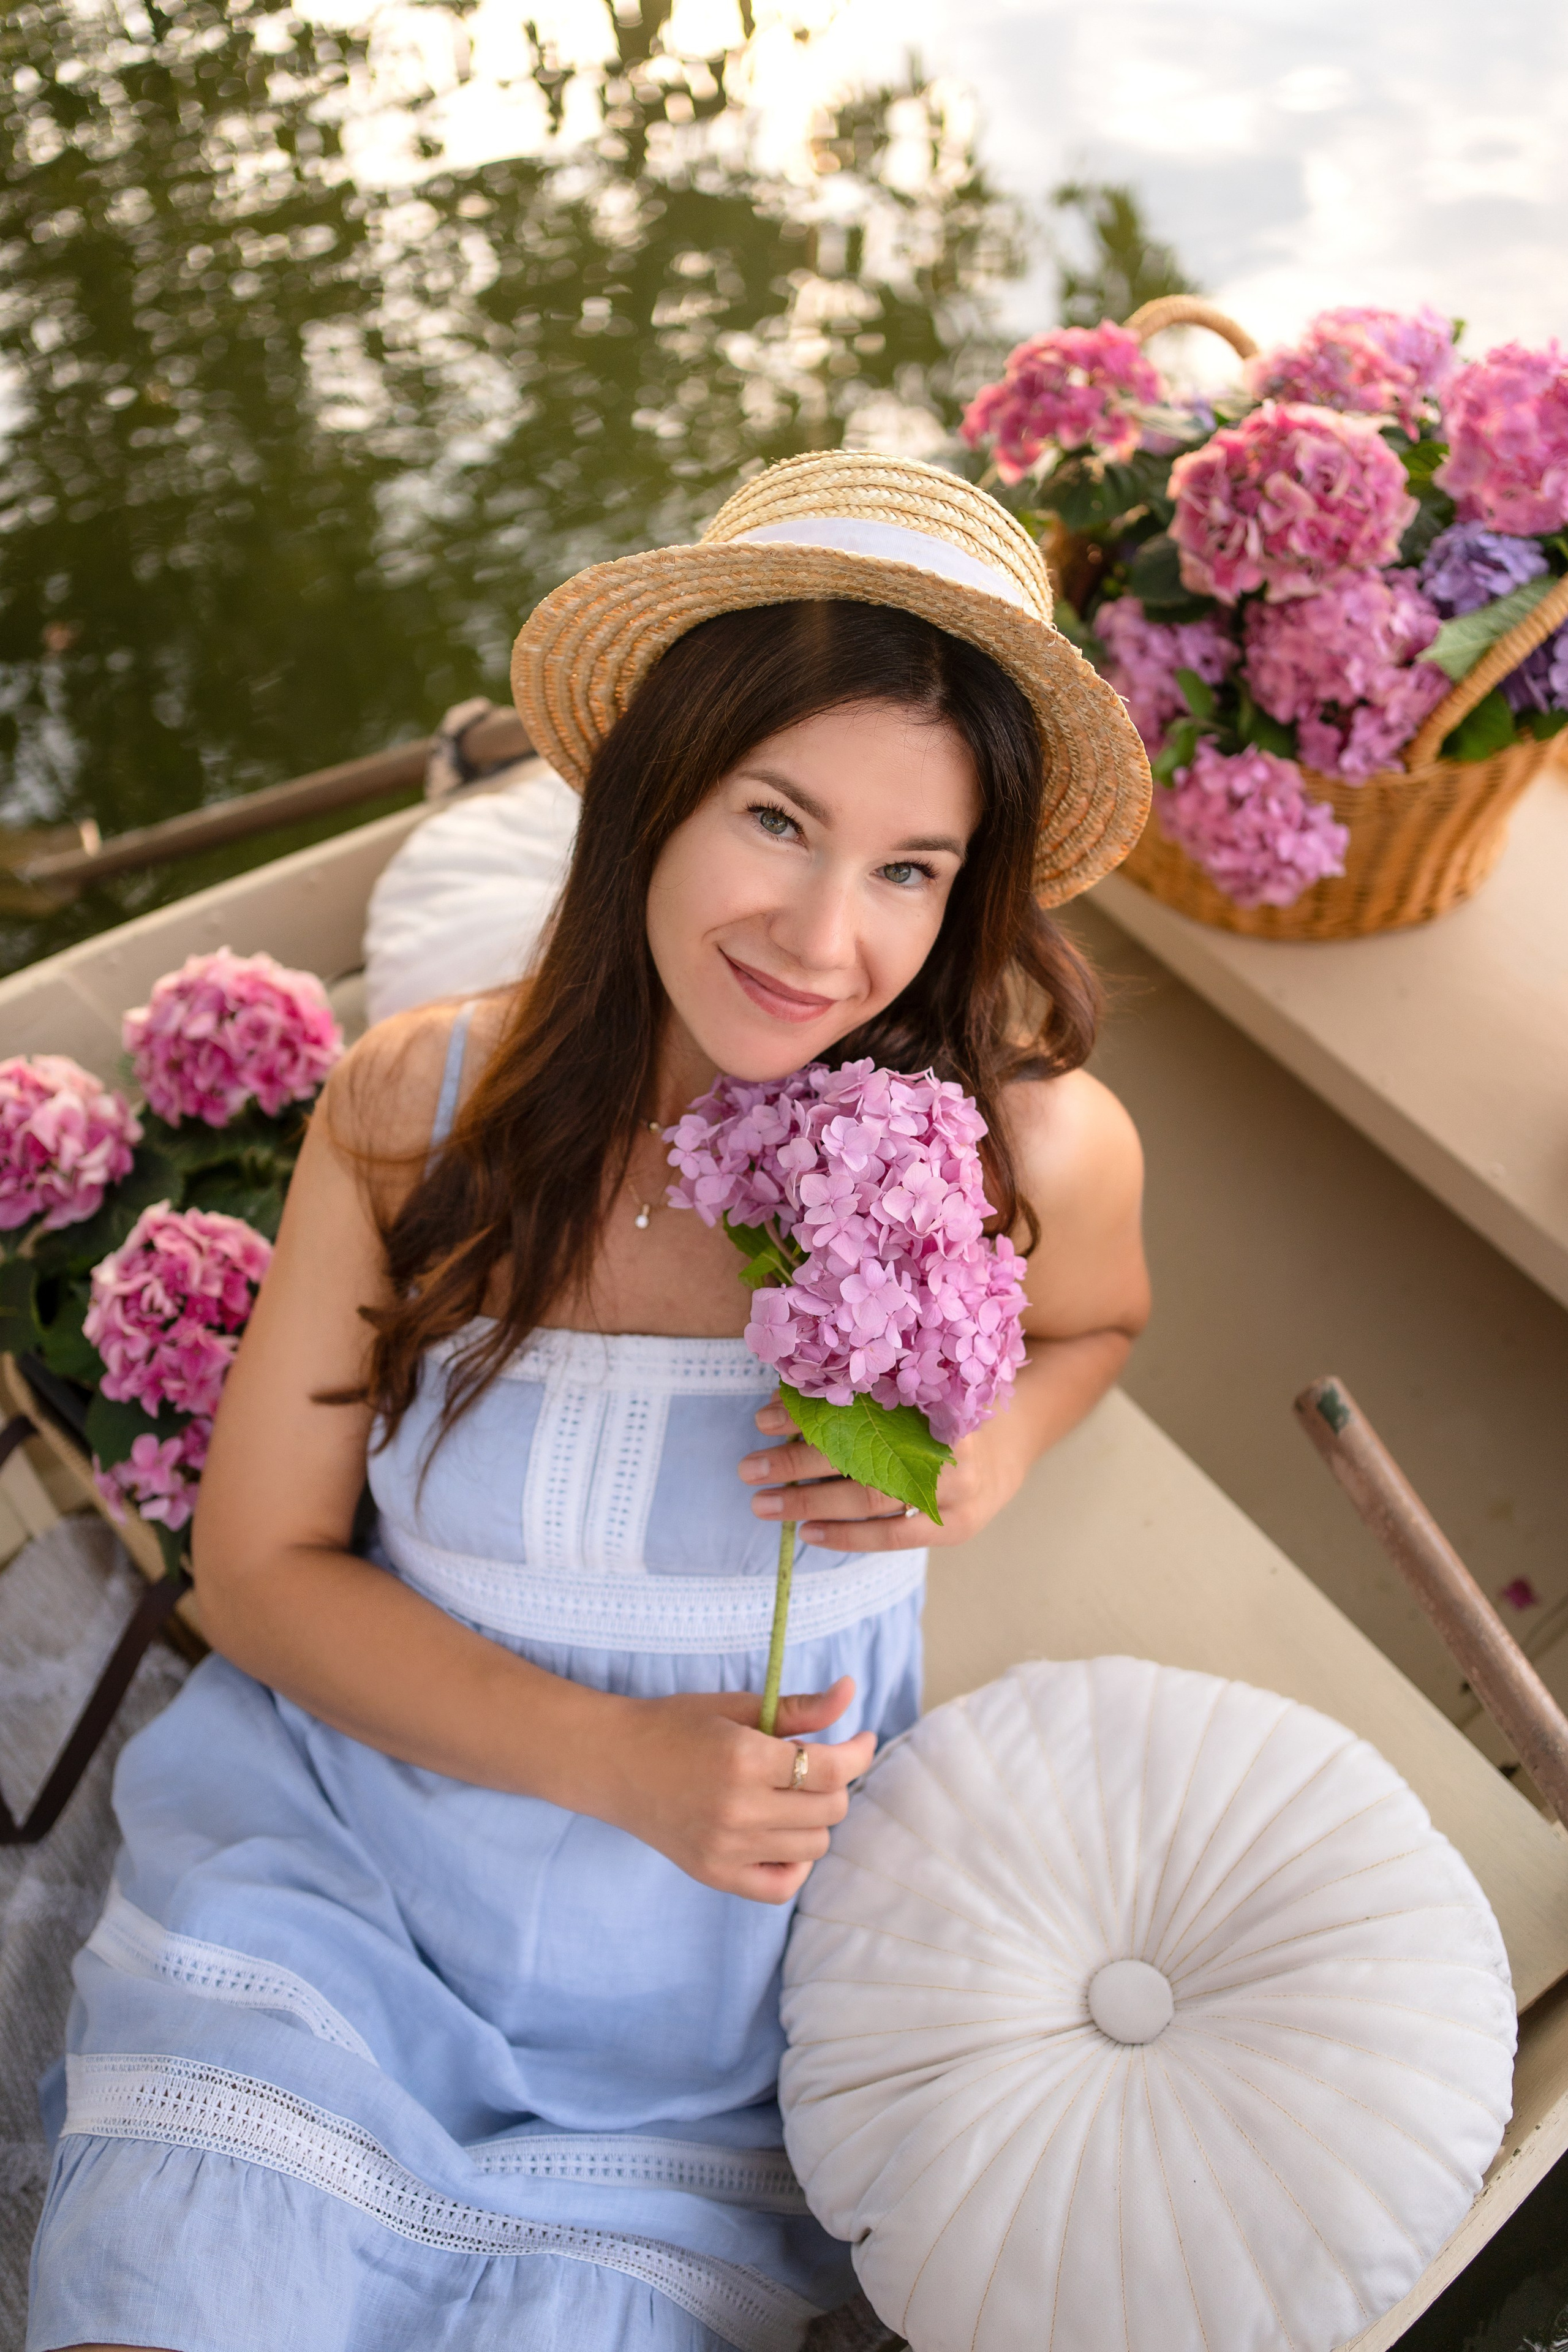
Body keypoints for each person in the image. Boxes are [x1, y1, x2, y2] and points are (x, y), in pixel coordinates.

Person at [29, 452, 1152, 2352]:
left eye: (907, 871)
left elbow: (1093, 1329)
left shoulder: (1021, 1151)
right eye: (774, 820)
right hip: (357, 1872)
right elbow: (260, 1564)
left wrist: (977, 1465)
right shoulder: (417, 1112)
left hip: (711, 1987)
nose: (820, 939)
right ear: (648, 789)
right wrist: (609, 1761)